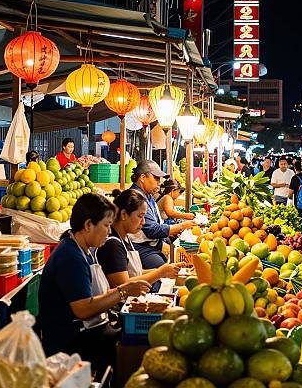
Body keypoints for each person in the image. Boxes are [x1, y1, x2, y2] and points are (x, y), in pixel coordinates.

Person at [38, 193, 151, 377]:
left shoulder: (87, 250)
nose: (109, 231)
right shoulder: (70, 256)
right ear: (88, 225)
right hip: (72, 342)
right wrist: (123, 291)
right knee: (135, 348)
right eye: (106, 225)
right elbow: (82, 309)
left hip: (92, 329)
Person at [97, 189, 182, 289]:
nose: (143, 222)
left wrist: (163, 271)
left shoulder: (125, 238)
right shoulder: (113, 244)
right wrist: (160, 272)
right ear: (124, 214)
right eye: (140, 216)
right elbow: (123, 285)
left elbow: (135, 274)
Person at [129, 160, 195, 269]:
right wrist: (182, 226)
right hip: (140, 247)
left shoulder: (148, 195)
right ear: (143, 177)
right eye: (156, 178)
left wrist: (167, 235)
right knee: (165, 270)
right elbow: (151, 229)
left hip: (152, 244)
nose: (159, 183)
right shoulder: (136, 197)